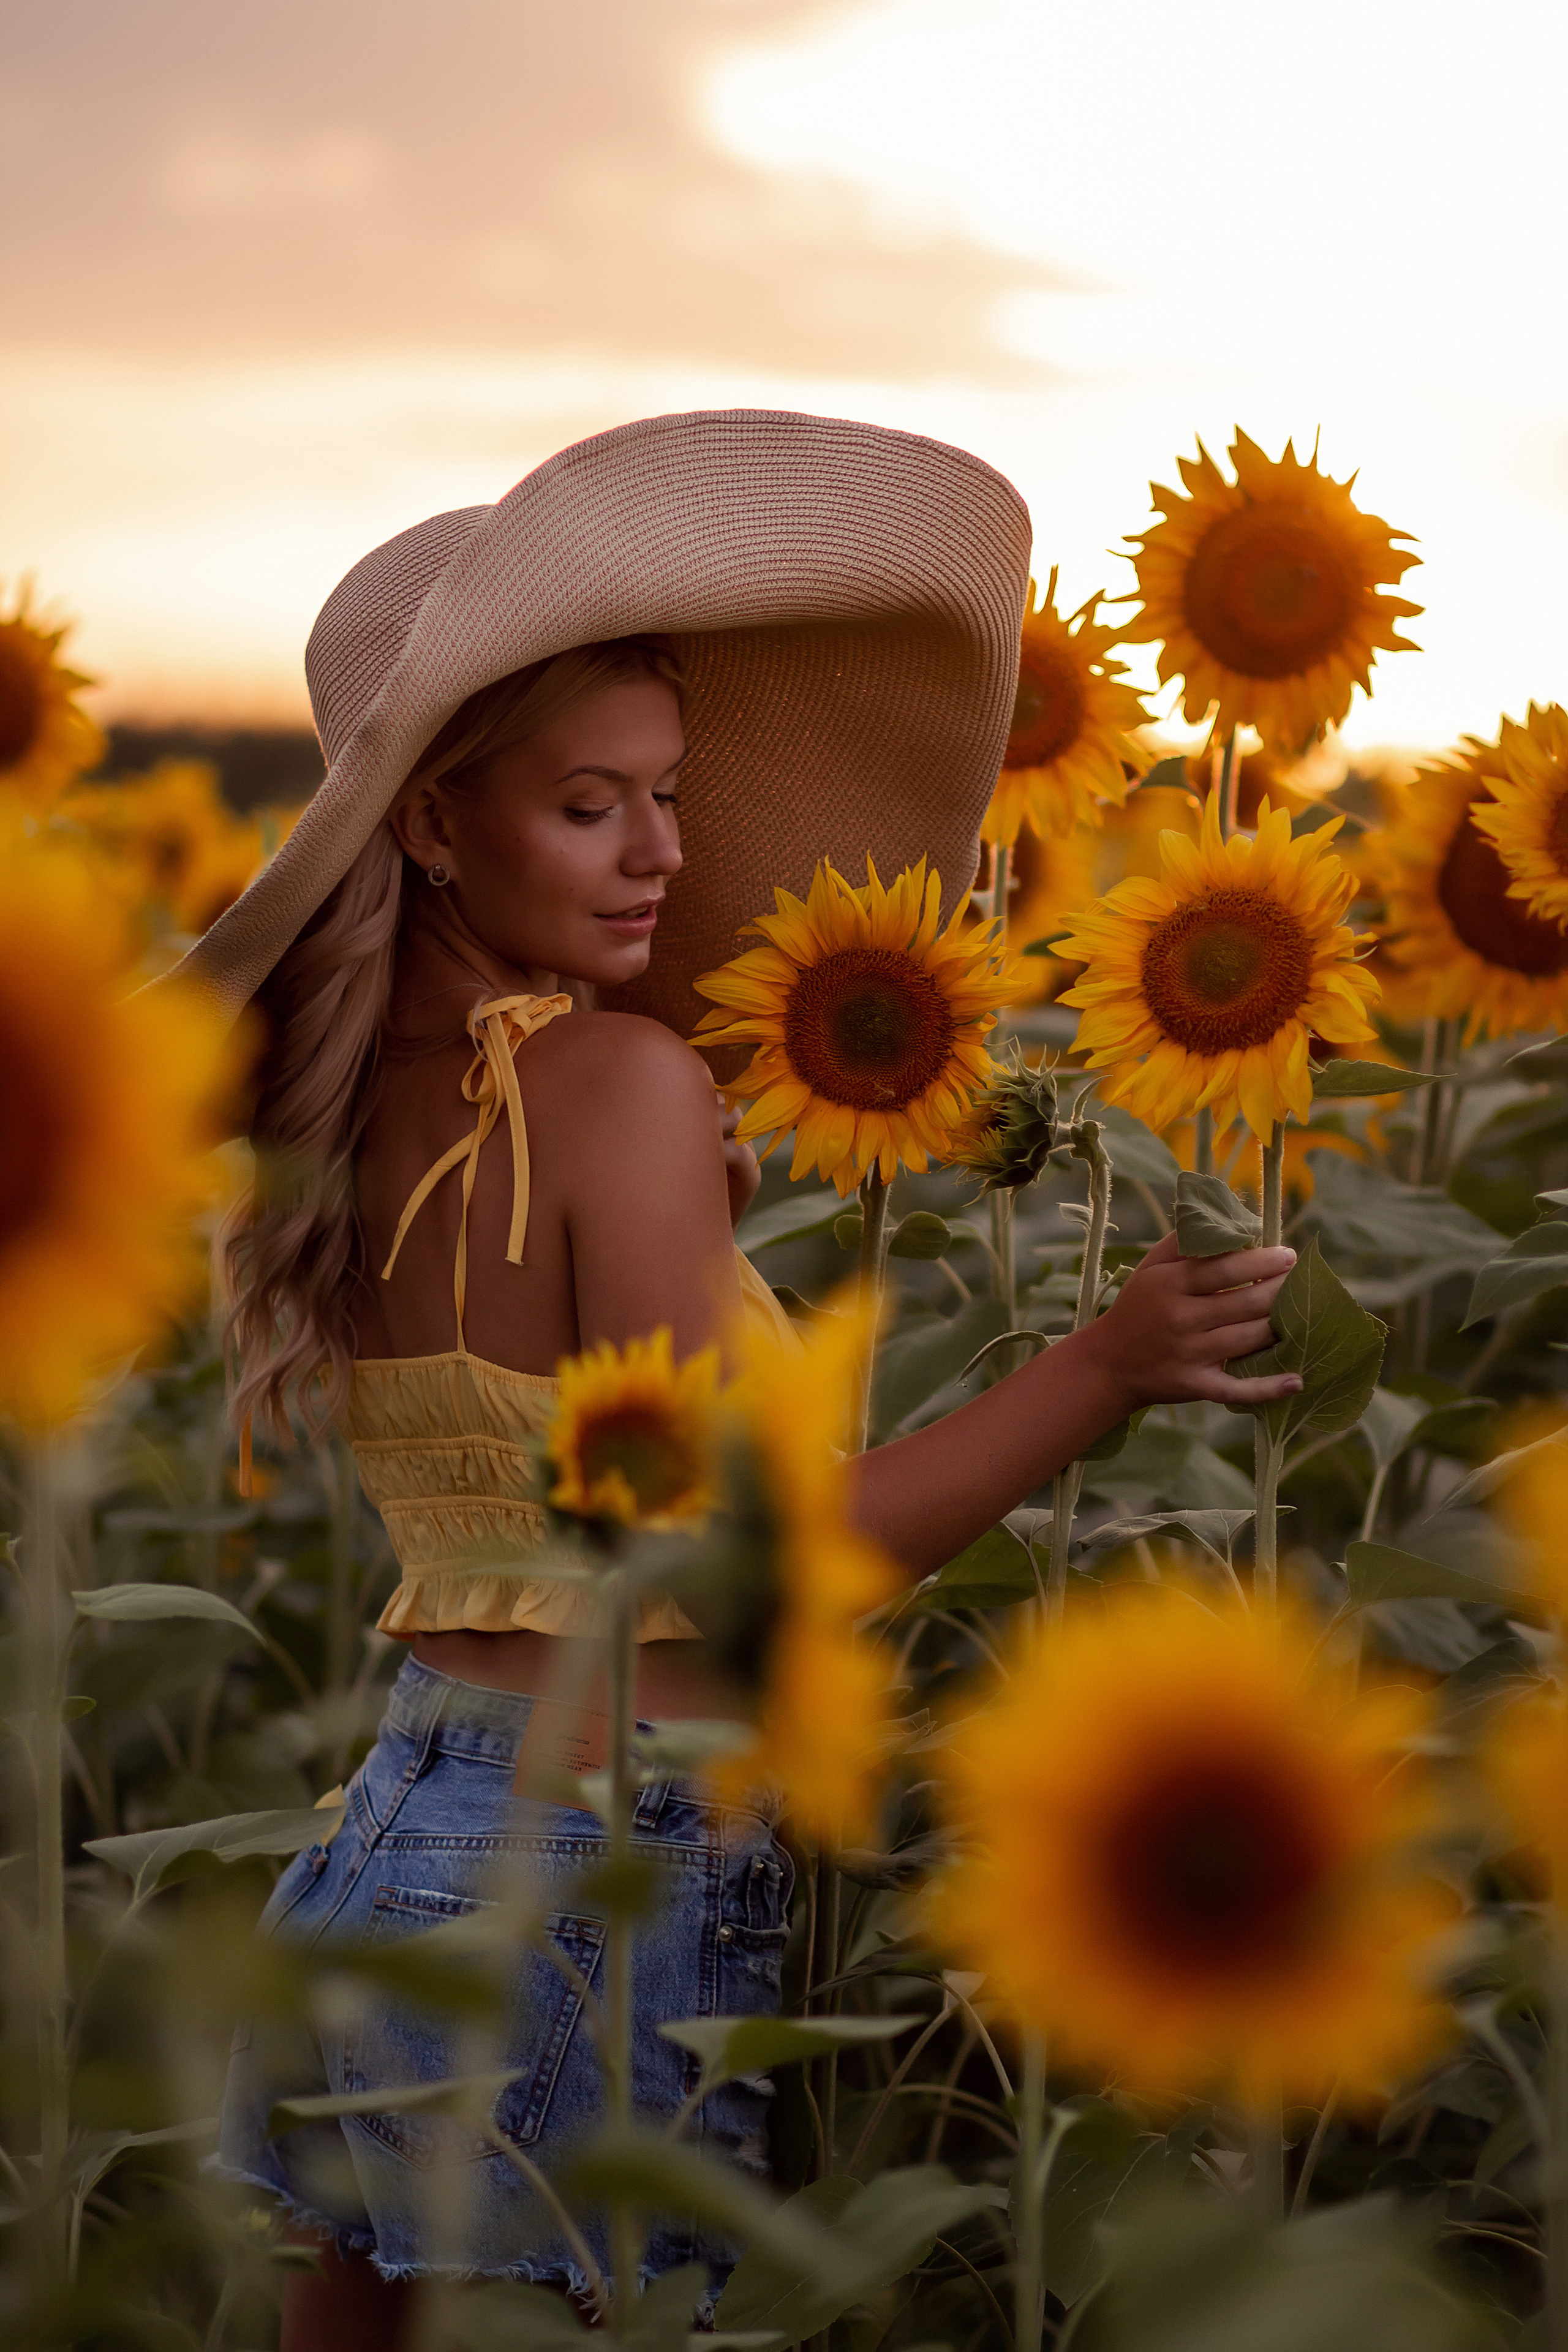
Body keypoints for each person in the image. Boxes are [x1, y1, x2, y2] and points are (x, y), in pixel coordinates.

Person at [190, 411, 1300, 2346]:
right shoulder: (616, 1088)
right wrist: (1106, 1364)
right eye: (593, 803)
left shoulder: (353, 1115)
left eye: (669, 795)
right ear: (439, 823)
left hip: (398, 1834)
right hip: (588, 1863)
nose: (668, 857)